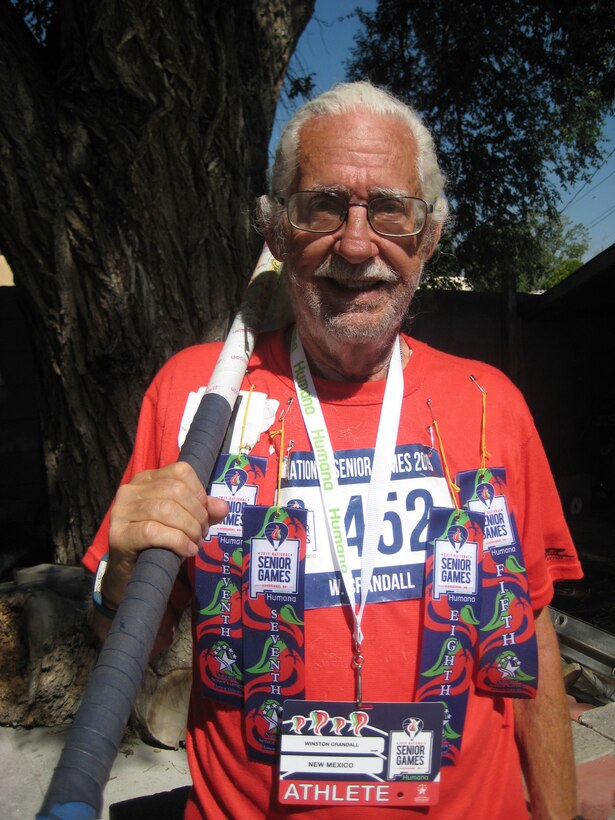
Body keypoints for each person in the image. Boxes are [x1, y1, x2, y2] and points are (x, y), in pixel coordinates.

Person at [84, 82, 583, 819]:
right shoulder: (196, 400)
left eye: (390, 210)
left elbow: (530, 631)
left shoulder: (489, 404)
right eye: (322, 207)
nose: (355, 245)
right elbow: (127, 637)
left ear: (430, 235)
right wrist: (123, 567)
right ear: (277, 229)